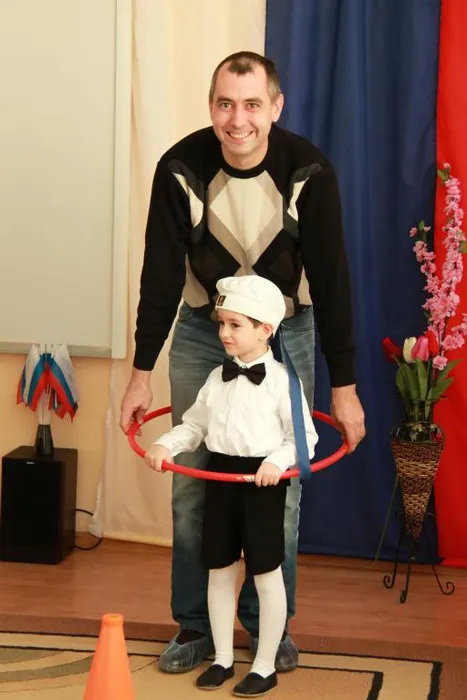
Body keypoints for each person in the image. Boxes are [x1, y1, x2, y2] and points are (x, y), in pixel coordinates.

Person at [120, 50, 365, 675]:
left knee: (279, 488)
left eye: (253, 104)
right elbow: (159, 277)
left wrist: (344, 385)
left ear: (275, 108)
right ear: (211, 106)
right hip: (205, 330)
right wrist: (140, 374)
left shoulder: (308, 171)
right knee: (191, 487)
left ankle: (266, 630)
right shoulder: (180, 169)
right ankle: (195, 625)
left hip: (289, 329)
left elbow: (332, 280)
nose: (238, 119)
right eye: (226, 104)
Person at [145, 275, 318, 696]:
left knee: (266, 573)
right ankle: (222, 658)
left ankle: (264, 665)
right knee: (219, 570)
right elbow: (194, 426)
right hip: (220, 479)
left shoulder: (283, 382)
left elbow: (304, 438)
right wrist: (166, 445)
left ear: (265, 330)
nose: (223, 332)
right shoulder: (215, 379)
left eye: (235, 325)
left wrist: (276, 462)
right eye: (222, 323)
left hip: (263, 484)